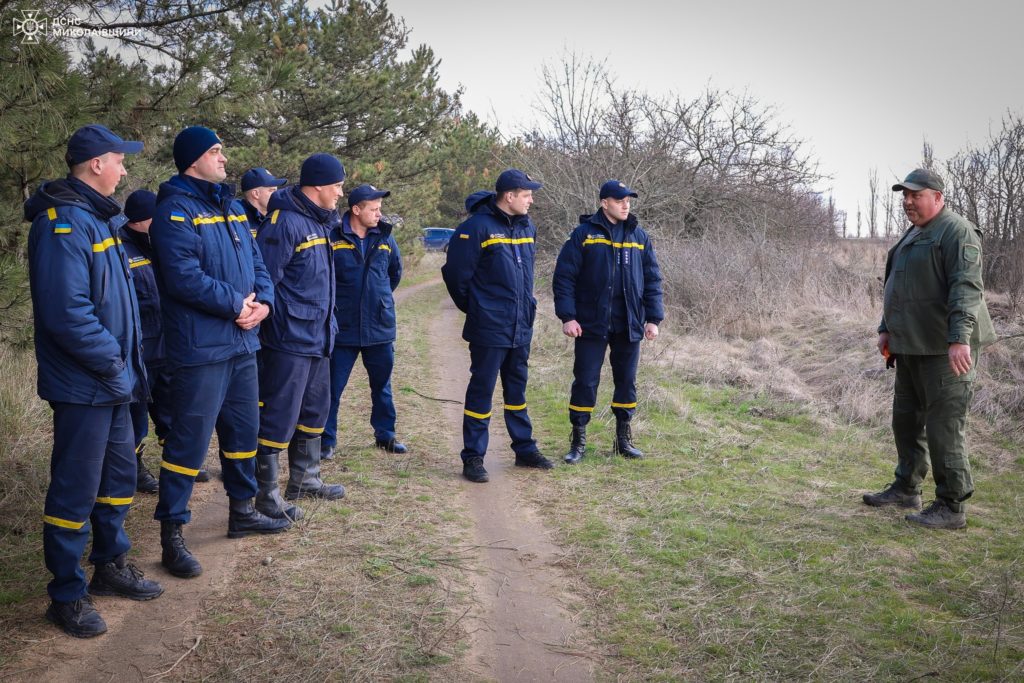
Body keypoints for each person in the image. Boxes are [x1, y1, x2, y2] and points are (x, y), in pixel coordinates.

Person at [26, 124, 163, 637]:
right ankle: (66, 593)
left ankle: (109, 565)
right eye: (119, 160)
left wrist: (125, 368)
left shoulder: (99, 220)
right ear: (96, 164)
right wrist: (113, 363)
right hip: (87, 384)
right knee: (74, 492)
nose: (125, 169)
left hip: (115, 380)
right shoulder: (62, 224)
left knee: (118, 482)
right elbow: (67, 313)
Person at [150, 126, 289, 579]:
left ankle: (242, 511)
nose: (224, 158)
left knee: (243, 434)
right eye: (215, 151)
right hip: (201, 350)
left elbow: (257, 264)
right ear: (193, 160)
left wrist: (263, 304)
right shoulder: (174, 209)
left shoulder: (230, 207)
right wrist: (236, 305)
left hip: (243, 345)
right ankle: (172, 534)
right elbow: (181, 276)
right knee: (188, 444)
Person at [863, 168, 997, 529]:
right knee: (905, 421)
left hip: (945, 349)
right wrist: (886, 328)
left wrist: (959, 339)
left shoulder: (956, 231)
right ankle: (907, 487)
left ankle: (951, 507)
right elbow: (901, 284)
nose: (907, 201)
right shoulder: (917, 231)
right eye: (904, 195)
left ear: (937, 197)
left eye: (915, 195)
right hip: (912, 345)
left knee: (943, 428)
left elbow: (966, 289)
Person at [442, 169, 554, 483]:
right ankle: (474, 457)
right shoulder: (475, 227)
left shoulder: (527, 225)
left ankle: (524, 448)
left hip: (521, 325)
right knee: (482, 391)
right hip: (489, 327)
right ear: (509, 195)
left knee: (517, 390)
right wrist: (478, 308)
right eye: (527, 194)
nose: (532, 200)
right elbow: (455, 276)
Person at [253, 153, 346, 521]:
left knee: (314, 409)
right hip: (289, 339)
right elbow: (265, 280)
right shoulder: (284, 223)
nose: (341, 193)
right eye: (337, 186)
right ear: (319, 186)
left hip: (318, 335)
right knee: (279, 415)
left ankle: (306, 479)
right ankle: (266, 495)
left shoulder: (320, 221)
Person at [552, 180, 664, 464]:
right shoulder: (584, 235)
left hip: (629, 323)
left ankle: (623, 441)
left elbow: (652, 280)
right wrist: (568, 316)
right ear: (604, 203)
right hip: (590, 323)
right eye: (619, 200)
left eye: (628, 200)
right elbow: (564, 278)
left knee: (626, 381)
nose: (626, 205)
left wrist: (653, 318)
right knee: (586, 381)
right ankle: (578, 441)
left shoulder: (639, 237)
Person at [322, 184, 407, 462]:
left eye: (380, 208)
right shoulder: (332, 236)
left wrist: (378, 300)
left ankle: (386, 435)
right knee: (332, 389)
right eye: (373, 209)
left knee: (382, 386)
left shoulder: (385, 237)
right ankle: (326, 441)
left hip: (379, 327)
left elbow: (394, 273)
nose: (379, 214)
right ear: (356, 210)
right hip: (342, 327)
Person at [120, 189, 171, 493]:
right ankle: (135, 470)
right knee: (136, 416)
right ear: (142, 220)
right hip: (137, 351)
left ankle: (176, 464)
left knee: (170, 411)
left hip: (166, 346)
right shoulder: (120, 248)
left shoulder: (158, 244)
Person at [240, 167, 287, 237]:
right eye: (272, 190)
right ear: (256, 194)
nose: (277, 194)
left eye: (276, 190)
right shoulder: (238, 221)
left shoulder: (280, 217)